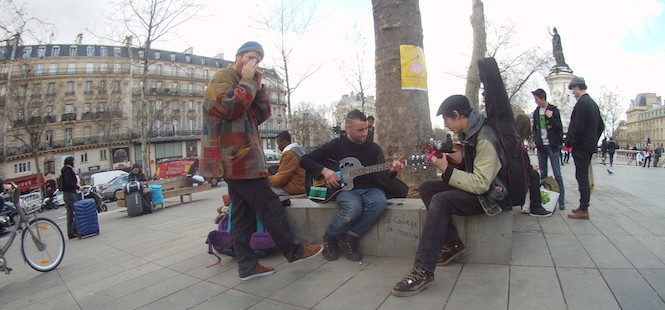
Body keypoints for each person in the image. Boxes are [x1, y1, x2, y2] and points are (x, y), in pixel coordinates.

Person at [201, 40, 322, 281]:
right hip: (236, 159)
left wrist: (258, 85)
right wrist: (247, 80)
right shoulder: (222, 78)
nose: (253, 63)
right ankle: (294, 251)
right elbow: (232, 108)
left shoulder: (247, 82)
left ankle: (247, 267)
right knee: (270, 204)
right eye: (250, 57)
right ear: (238, 56)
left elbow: (261, 114)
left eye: (258, 60)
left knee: (242, 215)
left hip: (244, 157)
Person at [392, 95, 509, 297]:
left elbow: (481, 183)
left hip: (490, 196)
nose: (446, 125)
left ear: (456, 115)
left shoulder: (485, 138)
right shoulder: (472, 132)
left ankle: (423, 270)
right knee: (427, 187)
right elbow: (471, 166)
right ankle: (452, 244)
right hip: (480, 189)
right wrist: (452, 159)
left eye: (447, 120)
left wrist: (446, 171)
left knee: (441, 200)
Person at [300, 109, 404, 262]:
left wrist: (392, 171)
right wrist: (325, 171)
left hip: (370, 188)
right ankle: (331, 236)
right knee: (353, 207)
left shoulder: (374, 149)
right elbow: (304, 160)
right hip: (344, 190)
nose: (365, 133)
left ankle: (351, 237)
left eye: (366, 128)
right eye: (360, 130)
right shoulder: (335, 145)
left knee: (380, 203)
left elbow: (382, 179)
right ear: (347, 128)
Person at [565, 77, 604, 220]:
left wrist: (572, 142)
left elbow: (578, 127)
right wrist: (593, 139)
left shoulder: (581, 103)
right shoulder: (593, 104)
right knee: (583, 176)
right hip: (589, 145)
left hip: (581, 146)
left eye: (573, 89)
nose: (573, 93)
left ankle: (584, 208)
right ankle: (582, 206)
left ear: (577, 87)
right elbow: (601, 125)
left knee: (581, 177)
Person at [531, 88, 566, 210]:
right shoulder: (536, 112)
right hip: (541, 147)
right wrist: (536, 140)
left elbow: (559, 128)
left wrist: (551, 118)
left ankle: (561, 200)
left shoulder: (553, 110)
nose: (535, 102)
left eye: (536, 99)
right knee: (543, 174)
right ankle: (544, 199)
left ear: (542, 98)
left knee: (557, 174)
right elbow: (535, 129)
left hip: (552, 146)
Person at [516, 114, 552, 217]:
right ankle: (536, 207)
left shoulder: (513, 138)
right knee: (534, 175)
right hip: (516, 176)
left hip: (511, 172)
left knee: (532, 173)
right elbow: (523, 164)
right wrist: (531, 168)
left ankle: (529, 205)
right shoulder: (518, 142)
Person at [268, 131, 306, 204]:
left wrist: (267, 179)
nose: (278, 147)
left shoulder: (289, 154)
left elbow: (280, 180)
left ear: (284, 142)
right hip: (302, 185)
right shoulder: (299, 150)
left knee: (263, 189)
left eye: (278, 144)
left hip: (294, 188)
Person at [61, 156, 82, 239]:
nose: (74, 163)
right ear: (70, 162)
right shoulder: (68, 170)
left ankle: (70, 232)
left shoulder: (64, 170)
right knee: (78, 209)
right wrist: (77, 187)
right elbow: (69, 183)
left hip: (66, 194)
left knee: (70, 213)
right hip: (70, 193)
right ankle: (74, 229)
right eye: (73, 161)